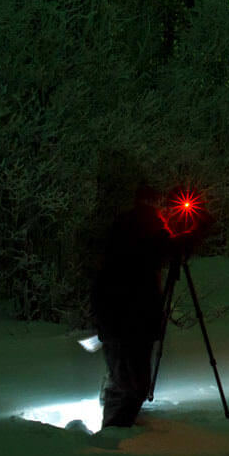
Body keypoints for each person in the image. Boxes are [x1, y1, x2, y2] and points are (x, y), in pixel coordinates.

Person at [90, 182, 180, 428]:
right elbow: (172, 249)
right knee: (132, 383)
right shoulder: (148, 226)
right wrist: (192, 228)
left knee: (120, 376)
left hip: (114, 315)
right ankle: (115, 431)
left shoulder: (122, 224)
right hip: (133, 318)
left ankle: (114, 426)